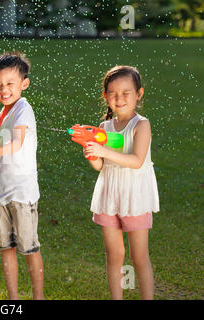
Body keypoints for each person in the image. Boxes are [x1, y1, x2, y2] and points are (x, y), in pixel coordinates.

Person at [84, 65, 159, 300]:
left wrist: (104, 150)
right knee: (114, 255)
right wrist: (93, 154)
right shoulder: (104, 128)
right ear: (105, 96)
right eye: (113, 94)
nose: (119, 99)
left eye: (126, 93)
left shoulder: (141, 125)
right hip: (109, 196)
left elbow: (137, 161)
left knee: (138, 257)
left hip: (134, 197)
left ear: (139, 94)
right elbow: (101, 167)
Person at [0, 51, 45, 300]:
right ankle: (13, 298)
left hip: (22, 192)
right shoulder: (1, 113)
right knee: (6, 248)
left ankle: (39, 296)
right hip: (1, 190)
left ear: (24, 84)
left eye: (10, 84)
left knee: (29, 248)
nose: (4, 90)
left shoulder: (23, 109)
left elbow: (16, 143)